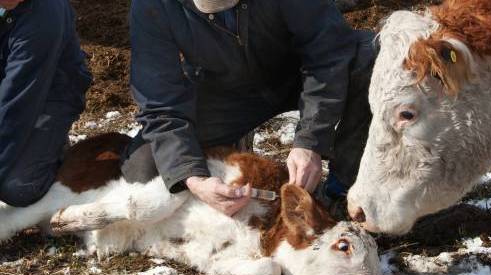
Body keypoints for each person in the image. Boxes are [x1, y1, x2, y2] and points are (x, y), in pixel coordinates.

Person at [123, 0, 376, 217]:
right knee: (144, 168)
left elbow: (329, 52)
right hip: (226, 91)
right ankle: (233, 148)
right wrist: (193, 178)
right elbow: (161, 103)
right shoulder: (152, 5)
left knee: (370, 57)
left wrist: (311, 141)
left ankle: (342, 187)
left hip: (299, 74)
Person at [0, 0, 92, 207]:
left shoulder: (45, 14)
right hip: (12, 90)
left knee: (16, 188)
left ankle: (55, 153)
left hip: (47, 95)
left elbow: (17, 103)